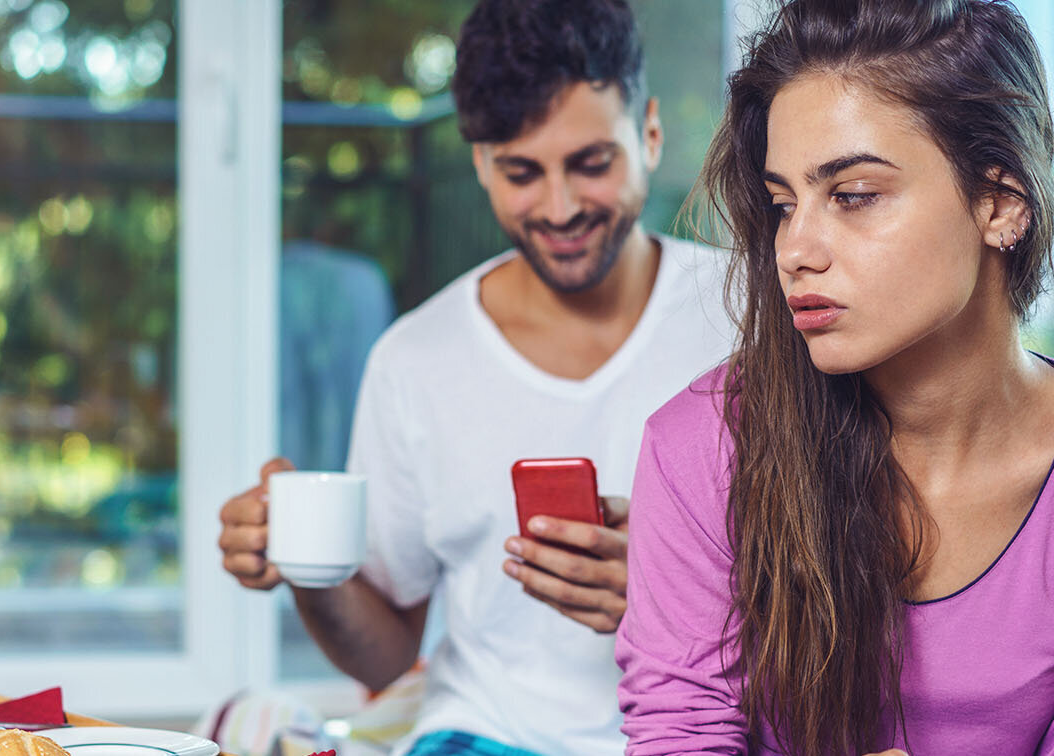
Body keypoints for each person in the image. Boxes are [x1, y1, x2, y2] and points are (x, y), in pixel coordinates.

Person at [617, 0, 1054, 754]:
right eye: (781, 204)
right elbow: (680, 735)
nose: (794, 248)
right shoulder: (699, 448)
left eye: (854, 196)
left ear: (1001, 202)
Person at [218, 0, 732, 753]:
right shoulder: (414, 359)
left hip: (701, 733)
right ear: (482, 164)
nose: (559, 209)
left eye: (591, 164)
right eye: (522, 172)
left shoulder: (752, 315)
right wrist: (307, 565)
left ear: (649, 134)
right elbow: (389, 655)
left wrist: (672, 594)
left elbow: (864, 583)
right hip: (480, 734)